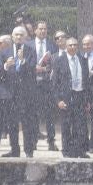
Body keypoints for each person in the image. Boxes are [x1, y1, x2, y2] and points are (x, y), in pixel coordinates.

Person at [0, 25, 37, 158]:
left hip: (26, 94)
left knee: (27, 123)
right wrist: (5, 66)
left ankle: (28, 150)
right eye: (16, 35)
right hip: (10, 94)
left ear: (26, 37)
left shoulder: (31, 51)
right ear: (12, 36)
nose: (19, 37)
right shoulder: (5, 52)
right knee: (12, 124)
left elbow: (32, 70)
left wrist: (22, 61)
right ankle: (14, 150)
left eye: (21, 35)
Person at [52, 35, 91, 158]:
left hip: (79, 96)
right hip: (66, 97)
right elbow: (54, 83)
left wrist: (87, 100)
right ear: (66, 46)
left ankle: (79, 151)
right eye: (70, 45)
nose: (73, 47)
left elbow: (87, 82)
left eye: (75, 45)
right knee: (66, 125)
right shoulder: (59, 60)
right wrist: (58, 100)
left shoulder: (83, 60)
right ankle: (67, 151)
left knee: (79, 126)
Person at [31, 22, 55, 151]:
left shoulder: (52, 45)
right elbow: (24, 62)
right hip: (33, 84)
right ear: (35, 30)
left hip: (47, 84)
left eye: (45, 29)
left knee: (49, 113)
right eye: (40, 29)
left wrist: (47, 68)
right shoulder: (28, 44)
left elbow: (56, 61)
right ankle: (33, 141)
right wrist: (33, 67)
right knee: (34, 113)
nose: (43, 31)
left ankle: (51, 142)